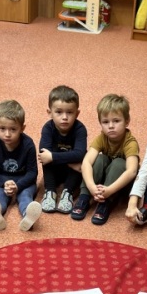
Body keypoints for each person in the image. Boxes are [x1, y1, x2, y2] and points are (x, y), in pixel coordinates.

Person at [71, 93, 140, 225]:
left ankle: (106, 203)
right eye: (106, 122)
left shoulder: (130, 143)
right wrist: (91, 187)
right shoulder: (102, 138)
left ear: (127, 121)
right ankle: (84, 197)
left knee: (119, 163)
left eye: (116, 121)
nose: (111, 126)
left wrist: (109, 191)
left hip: (119, 185)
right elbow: (86, 162)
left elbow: (131, 171)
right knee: (99, 159)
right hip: (102, 183)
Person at [0, 99, 42, 231]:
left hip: (24, 180)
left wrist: (18, 186)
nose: (7, 134)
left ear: (22, 128)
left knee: (25, 196)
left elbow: (32, 172)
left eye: (13, 129)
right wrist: (4, 182)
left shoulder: (28, 144)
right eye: (2, 129)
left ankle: (28, 215)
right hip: (2, 179)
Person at [38, 84, 87, 214]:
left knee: (83, 160)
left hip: (73, 169)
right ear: (50, 113)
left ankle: (68, 192)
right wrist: (58, 158)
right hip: (56, 168)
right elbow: (43, 153)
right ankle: (50, 191)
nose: (64, 117)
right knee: (45, 158)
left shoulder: (80, 129)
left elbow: (80, 154)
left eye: (69, 112)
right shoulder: (47, 128)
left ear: (77, 113)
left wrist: (54, 157)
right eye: (59, 112)